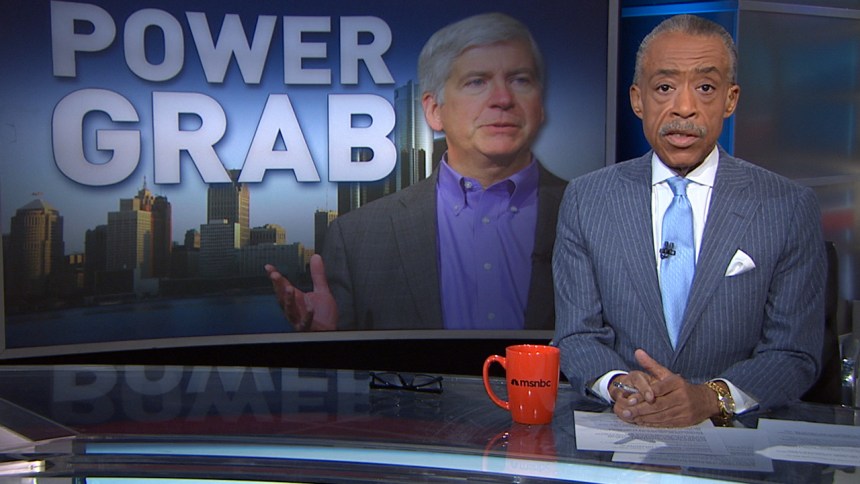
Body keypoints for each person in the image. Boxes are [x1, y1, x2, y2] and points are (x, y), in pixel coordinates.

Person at [552, 14, 825, 427]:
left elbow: (793, 353)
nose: (684, 107)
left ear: (730, 99)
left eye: (705, 88)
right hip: (622, 429)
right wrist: (619, 385)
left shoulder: (786, 207)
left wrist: (709, 398)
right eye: (664, 87)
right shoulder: (586, 199)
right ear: (638, 99)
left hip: (737, 438)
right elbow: (576, 335)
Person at [266, 12, 566, 331]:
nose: (503, 99)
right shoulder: (356, 238)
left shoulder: (592, 215)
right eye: (477, 82)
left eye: (520, 80)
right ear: (434, 111)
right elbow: (348, 358)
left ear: (540, 104)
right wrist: (326, 339)